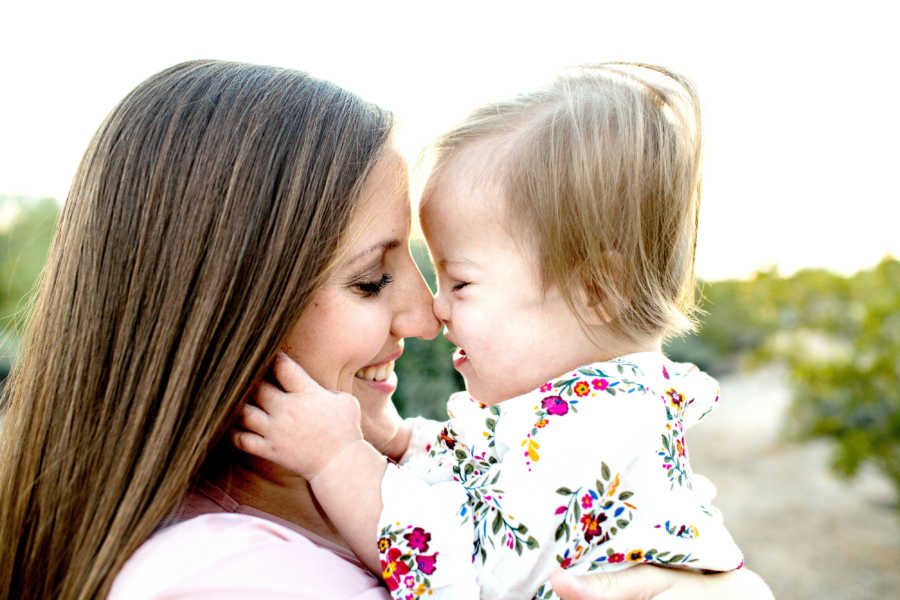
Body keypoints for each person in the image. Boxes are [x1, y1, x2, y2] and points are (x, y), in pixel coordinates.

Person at [0, 59, 770, 600]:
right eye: (372, 279)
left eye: (449, 276)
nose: (426, 314)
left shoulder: (593, 426)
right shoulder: (219, 578)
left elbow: (482, 502)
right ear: (233, 309)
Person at [234, 64, 746, 600]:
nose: (437, 309)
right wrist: (400, 441)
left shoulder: (601, 435)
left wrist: (339, 460)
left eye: (460, 282)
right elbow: (484, 483)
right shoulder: (586, 412)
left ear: (596, 290)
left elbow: (464, 581)